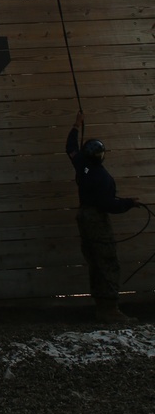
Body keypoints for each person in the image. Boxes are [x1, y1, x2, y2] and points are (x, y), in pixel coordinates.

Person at [66, 114, 139, 324]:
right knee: (106, 260)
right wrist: (128, 203)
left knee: (95, 261)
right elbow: (107, 205)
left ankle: (103, 307)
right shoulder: (99, 176)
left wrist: (75, 125)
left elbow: (70, 146)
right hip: (96, 218)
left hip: (84, 215)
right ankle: (109, 309)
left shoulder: (81, 164)